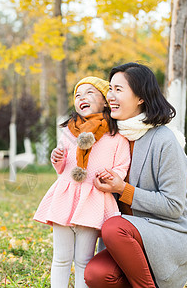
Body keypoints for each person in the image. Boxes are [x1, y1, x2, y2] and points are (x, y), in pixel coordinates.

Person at [84, 62, 187, 288]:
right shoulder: (110, 137)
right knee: (97, 274)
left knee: (114, 226)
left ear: (140, 97)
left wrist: (122, 189)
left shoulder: (165, 140)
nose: (110, 95)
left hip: (166, 232)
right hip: (125, 240)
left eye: (118, 90)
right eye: (110, 89)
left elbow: (173, 206)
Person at [34, 76, 131, 288]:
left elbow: (121, 167)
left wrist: (110, 176)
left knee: (83, 260)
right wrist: (57, 161)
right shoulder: (69, 131)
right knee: (60, 258)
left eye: (89, 92)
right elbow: (63, 169)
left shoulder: (116, 137)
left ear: (105, 100)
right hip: (65, 198)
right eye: (77, 95)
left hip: (93, 200)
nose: (81, 98)